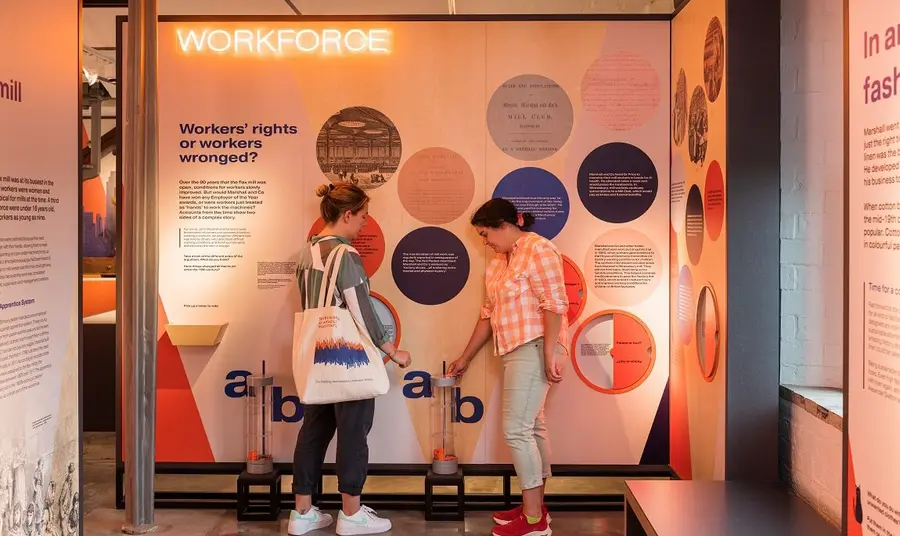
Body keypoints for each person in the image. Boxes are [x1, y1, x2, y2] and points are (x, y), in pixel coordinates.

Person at [288, 182, 412, 536]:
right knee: (353, 433)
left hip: (316, 358)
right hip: (347, 359)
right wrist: (390, 349)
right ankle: (352, 513)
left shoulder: (306, 252)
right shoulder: (346, 256)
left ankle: (302, 512)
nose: (364, 225)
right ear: (346, 215)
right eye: (362, 217)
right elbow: (361, 309)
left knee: (313, 431)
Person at [448, 198, 568, 536]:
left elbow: (555, 303)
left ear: (505, 224)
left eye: (486, 234)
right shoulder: (498, 263)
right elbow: (488, 315)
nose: (485, 242)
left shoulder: (538, 249)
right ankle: (536, 508)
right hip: (515, 349)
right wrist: (465, 357)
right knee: (532, 428)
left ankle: (533, 521)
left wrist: (547, 351)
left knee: (517, 429)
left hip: (534, 346)